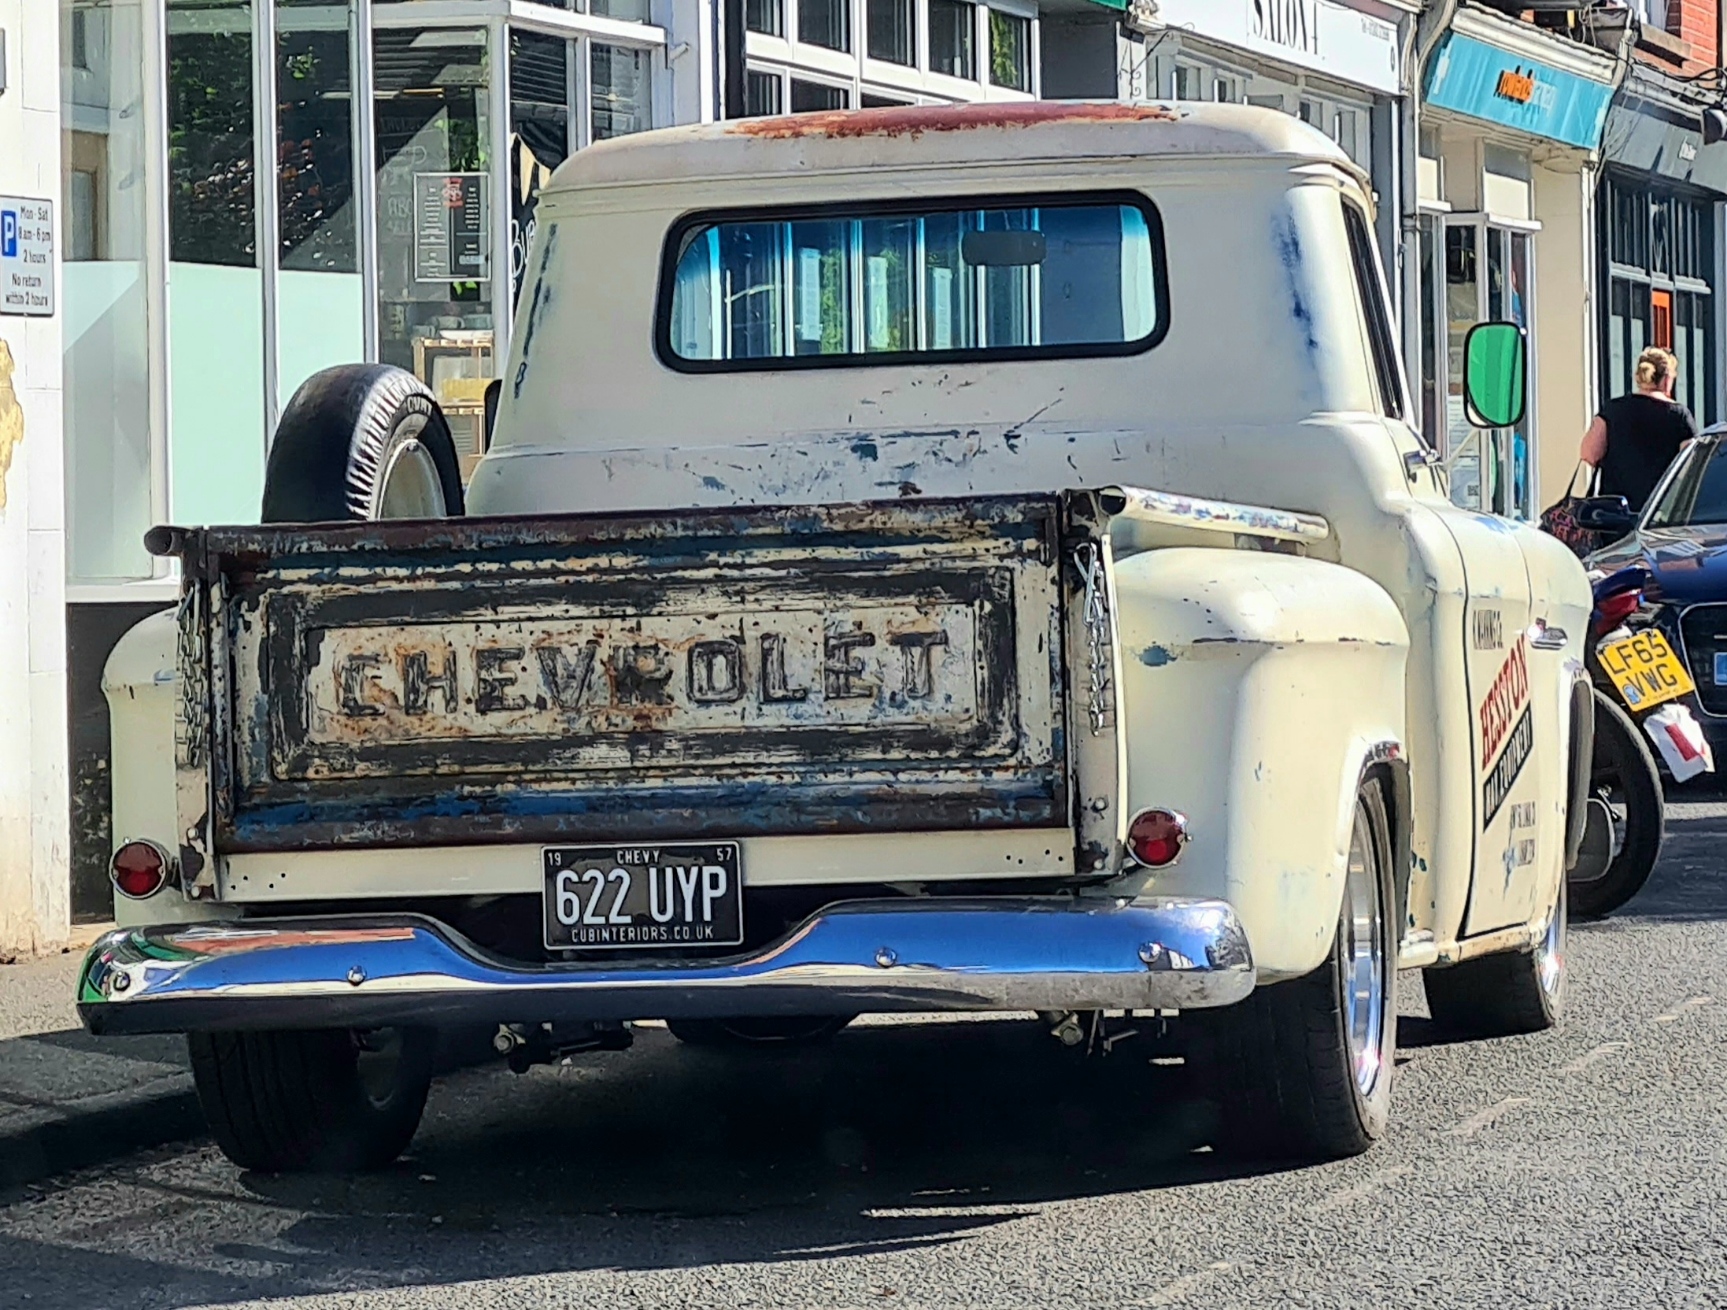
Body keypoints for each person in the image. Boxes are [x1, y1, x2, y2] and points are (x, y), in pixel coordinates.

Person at [1581, 347, 1698, 512]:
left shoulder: (1613, 409)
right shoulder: (1679, 415)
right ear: (1666, 379)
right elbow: (1691, 467)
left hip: (1614, 515)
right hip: (1660, 514)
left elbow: (1588, 454)